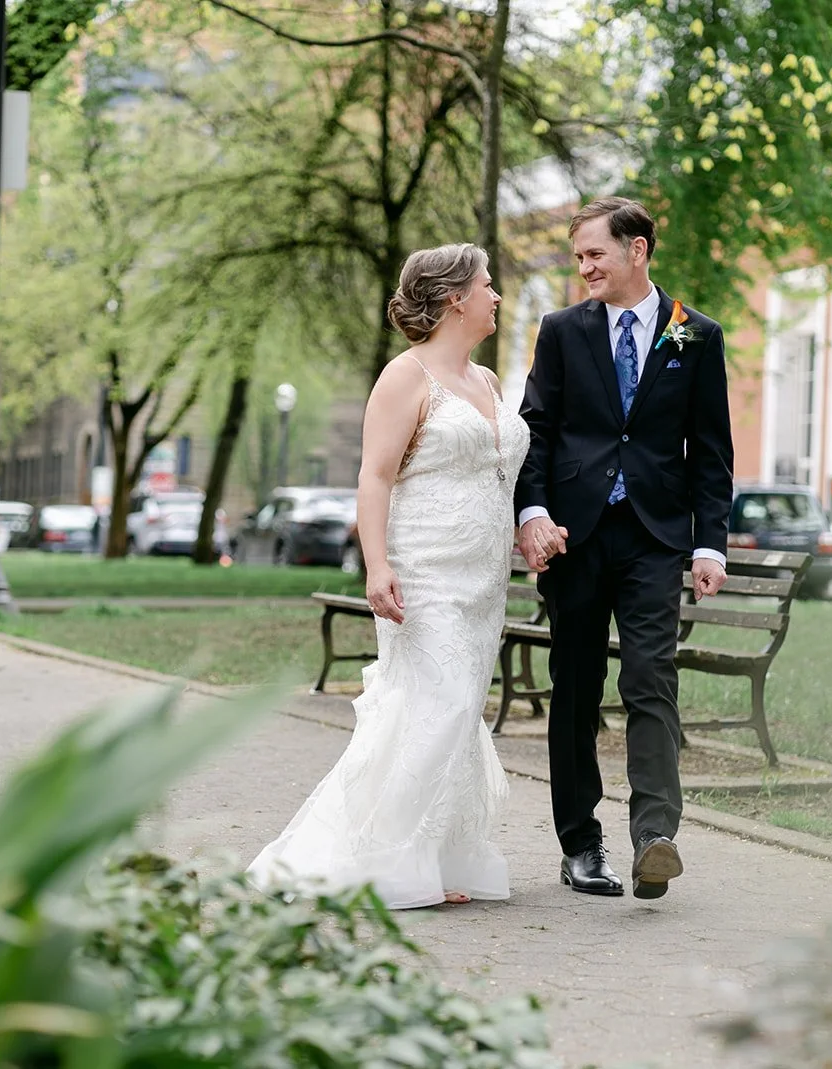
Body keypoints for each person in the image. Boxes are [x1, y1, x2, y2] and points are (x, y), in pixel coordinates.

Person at [248, 243, 528, 909]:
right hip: (422, 571)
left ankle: (432, 857)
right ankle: (372, 856)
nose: (497, 297)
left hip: (483, 577)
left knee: (457, 712)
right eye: (488, 286)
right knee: (439, 703)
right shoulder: (404, 378)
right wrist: (377, 566)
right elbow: (374, 477)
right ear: (456, 298)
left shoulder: (486, 382)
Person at [515, 197, 735, 901]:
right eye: (578, 257)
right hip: (575, 537)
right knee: (576, 688)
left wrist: (711, 544)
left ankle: (654, 837)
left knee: (650, 677)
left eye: (594, 255)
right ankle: (580, 844)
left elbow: (711, 451)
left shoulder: (693, 336)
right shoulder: (560, 332)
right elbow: (537, 430)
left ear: (636, 251)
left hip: (654, 537)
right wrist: (534, 510)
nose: (583, 269)